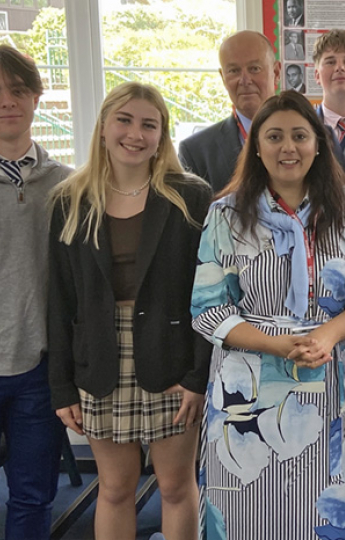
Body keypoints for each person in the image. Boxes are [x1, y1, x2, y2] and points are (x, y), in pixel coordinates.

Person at [191, 91, 345, 540]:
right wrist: (275, 344)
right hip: (247, 393)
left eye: (300, 136)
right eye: (275, 136)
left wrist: (328, 335)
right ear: (256, 147)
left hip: (333, 379)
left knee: (324, 512)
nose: (289, 147)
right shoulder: (225, 215)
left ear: (318, 144)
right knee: (250, 513)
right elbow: (208, 310)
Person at [49, 82, 212, 540]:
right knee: (116, 488)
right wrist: (61, 386)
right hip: (100, 357)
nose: (135, 134)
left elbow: (207, 293)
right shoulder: (70, 200)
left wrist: (198, 376)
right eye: (124, 120)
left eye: (149, 124)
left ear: (162, 136)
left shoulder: (190, 197)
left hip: (172, 358)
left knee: (176, 485)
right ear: (103, 127)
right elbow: (60, 299)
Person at [0, 44, 71, 540]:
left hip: (37, 369)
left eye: (18, 90)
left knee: (31, 495)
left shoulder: (66, 185)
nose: (7, 102)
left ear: (37, 98)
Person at [179, 31, 281, 192]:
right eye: (234, 71)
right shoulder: (196, 151)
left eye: (254, 69)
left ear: (276, 72)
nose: (245, 80)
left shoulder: (313, 138)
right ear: (223, 78)